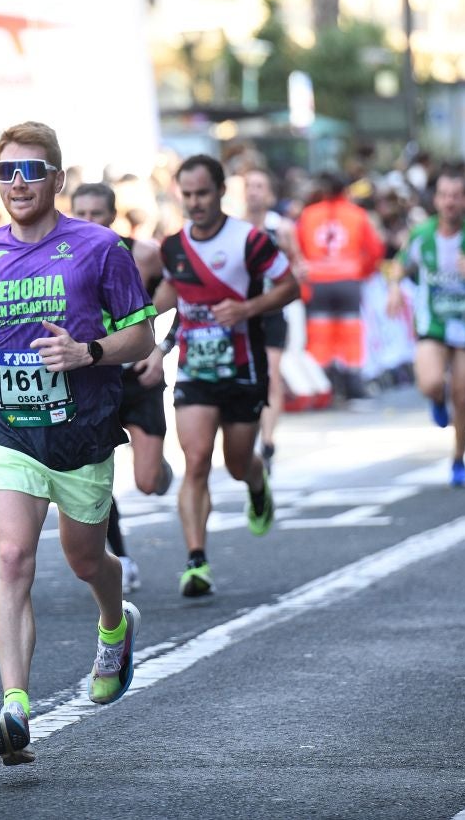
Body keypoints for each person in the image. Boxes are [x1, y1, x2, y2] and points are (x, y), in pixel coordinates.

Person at [0, 121, 155, 764]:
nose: (18, 183)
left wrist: (86, 350)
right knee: (12, 556)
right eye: (8, 170)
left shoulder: (99, 248)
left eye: (32, 171)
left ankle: (115, 623)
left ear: (57, 180)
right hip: (11, 427)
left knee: (87, 562)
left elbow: (141, 337)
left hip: (83, 431)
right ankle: (14, 704)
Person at [154, 155, 299, 597]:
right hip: (195, 369)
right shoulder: (174, 247)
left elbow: (290, 286)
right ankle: (196, 560)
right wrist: (137, 336)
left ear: (220, 191)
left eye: (202, 194)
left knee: (236, 463)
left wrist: (247, 308)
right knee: (195, 461)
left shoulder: (250, 241)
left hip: (242, 367)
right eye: (188, 195)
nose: (195, 203)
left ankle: (257, 481)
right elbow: (165, 299)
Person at [71, 182, 173, 593]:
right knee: (97, 480)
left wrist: (161, 348)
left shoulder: (143, 254)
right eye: (82, 214)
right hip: (94, 381)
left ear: (113, 217)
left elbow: (181, 298)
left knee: (148, 483)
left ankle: (161, 471)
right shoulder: (61, 259)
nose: (90, 222)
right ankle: (122, 557)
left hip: (137, 378)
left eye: (98, 214)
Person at [386, 169, 465, 487]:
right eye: (444, 195)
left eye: (456, 195)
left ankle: (458, 458)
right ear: (436, 199)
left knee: (463, 396)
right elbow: (399, 263)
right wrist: (395, 287)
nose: (450, 202)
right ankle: (436, 401)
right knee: (430, 383)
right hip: (433, 323)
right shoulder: (422, 234)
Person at [294, 171, 385, 404]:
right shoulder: (357, 215)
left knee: (320, 337)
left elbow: (298, 249)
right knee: (351, 335)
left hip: (318, 283)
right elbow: (375, 250)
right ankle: (353, 385)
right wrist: (360, 271)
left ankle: (324, 386)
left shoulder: (308, 215)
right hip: (347, 282)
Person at [243, 167, 301, 459]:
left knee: (272, 375)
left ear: (269, 194)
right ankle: (247, 429)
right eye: (249, 186)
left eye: (259, 186)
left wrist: (289, 275)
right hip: (243, 313)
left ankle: (267, 440)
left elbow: (299, 266)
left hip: (273, 311)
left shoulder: (282, 229)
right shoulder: (235, 228)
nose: (253, 191)